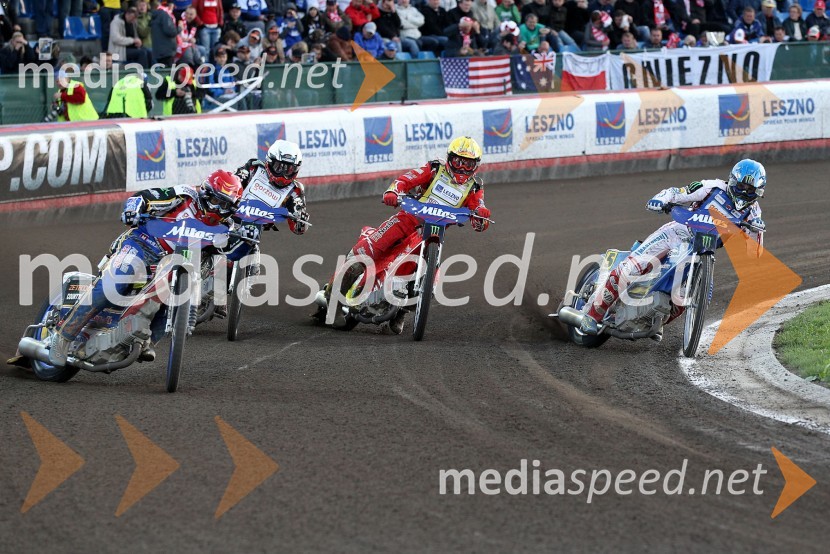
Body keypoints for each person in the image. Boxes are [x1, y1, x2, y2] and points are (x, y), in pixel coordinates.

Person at [47, 171, 245, 368]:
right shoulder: (184, 195)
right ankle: (63, 335)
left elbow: (231, 253)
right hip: (142, 244)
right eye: (216, 200)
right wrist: (133, 210)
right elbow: (144, 197)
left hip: (171, 264)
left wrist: (242, 241)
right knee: (116, 281)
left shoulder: (227, 227)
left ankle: (145, 341)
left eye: (225, 205)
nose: (218, 208)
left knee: (174, 297)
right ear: (206, 193)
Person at [320, 136, 491, 334]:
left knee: (432, 274)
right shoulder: (435, 168)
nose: (462, 168)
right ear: (450, 158)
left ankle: (402, 311)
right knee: (365, 253)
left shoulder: (475, 187)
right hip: (407, 219)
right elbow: (405, 180)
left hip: (432, 234)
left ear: (476, 165)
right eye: (459, 161)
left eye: (468, 164)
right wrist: (393, 191)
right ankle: (333, 298)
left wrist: (481, 216)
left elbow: (479, 211)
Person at [579, 159, 767, 337]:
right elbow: (677, 192)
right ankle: (591, 314)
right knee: (633, 267)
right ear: (733, 181)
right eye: (741, 186)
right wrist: (660, 199)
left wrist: (756, 229)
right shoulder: (713, 187)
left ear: (758, 191)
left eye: (750, 189)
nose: (744, 191)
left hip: (703, 251)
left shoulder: (753, 212)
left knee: (688, 297)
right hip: (677, 233)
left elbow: (754, 253)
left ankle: (653, 320)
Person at [233, 139, 310, 237]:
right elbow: (233, 182)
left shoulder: (295, 191)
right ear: (269, 162)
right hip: (226, 218)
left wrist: (301, 220)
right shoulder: (254, 168)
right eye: (279, 167)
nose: (283, 174)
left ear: (296, 169)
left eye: (288, 170)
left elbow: (298, 229)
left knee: (252, 251)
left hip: (250, 234)